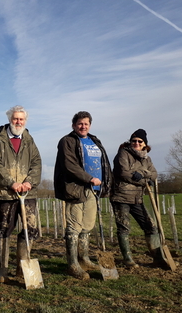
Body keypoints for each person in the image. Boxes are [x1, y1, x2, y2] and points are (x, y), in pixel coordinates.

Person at [54, 111, 112, 280]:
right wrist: (89, 178)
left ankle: (84, 258)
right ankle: (72, 264)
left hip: (94, 190)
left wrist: (106, 181)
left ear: (90, 125)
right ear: (74, 125)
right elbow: (69, 165)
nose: (83, 126)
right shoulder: (68, 141)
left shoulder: (95, 141)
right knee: (74, 227)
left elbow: (104, 163)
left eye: (86, 123)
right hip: (75, 189)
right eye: (80, 123)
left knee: (87, 226)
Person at [0, 105, 42, 283]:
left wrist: (29, 182)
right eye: (15, 118)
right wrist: (11, 183)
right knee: (4, 231)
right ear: (10, 119)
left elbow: (36, 163)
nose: (18, 122)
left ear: (25, 121)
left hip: (27, 193)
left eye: (21, 119)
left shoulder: (29, 139)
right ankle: (3, 269)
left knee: (31, 229)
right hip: (5, 193)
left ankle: (22, 268)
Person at [111, 129, 167, 268]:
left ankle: (158, 258)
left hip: (137, 198)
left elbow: (154, 175)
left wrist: (142, 173)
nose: (136, 143)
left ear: (144, 144)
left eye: (139, 141)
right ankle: (128, 259)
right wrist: (144, 180)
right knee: (124, 228)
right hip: (121, 196)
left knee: (151, 226)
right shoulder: (123, 153)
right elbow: (123, 173)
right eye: (134, 140)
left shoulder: (147, 158)